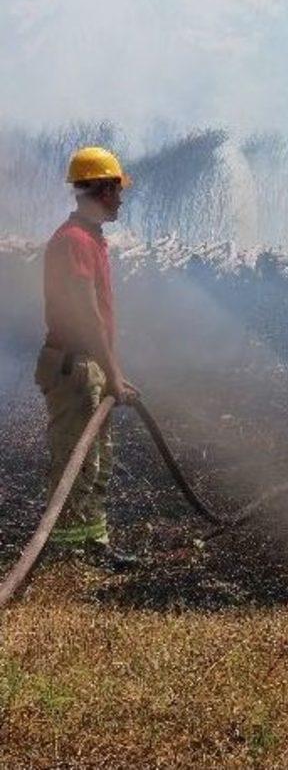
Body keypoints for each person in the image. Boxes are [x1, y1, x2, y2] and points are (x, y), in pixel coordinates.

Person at [34, 146, 140, 569]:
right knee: (76, 460)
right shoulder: (74, 241)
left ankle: (92, 544)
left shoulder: (89, 238)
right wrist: (111, 373)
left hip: (88, 366)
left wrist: (113, 371)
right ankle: (69, 553)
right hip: (74, 366)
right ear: (98, 189)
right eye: (115, 189)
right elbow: (87, 315)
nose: (121, 197)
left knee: (96, 459)